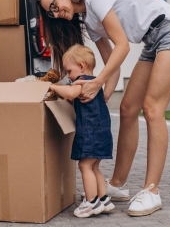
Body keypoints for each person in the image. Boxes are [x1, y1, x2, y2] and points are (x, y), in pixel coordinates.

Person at [36, 0, 170, 217]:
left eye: (55, 6)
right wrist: (102, 95)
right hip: (152, 42)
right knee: (128, 109)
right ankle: (118, 184)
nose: (56, 14)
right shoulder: (88, 21)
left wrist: (98, 82)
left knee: (152, 109)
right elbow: (113, 62)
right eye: (51, 12)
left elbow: (123, 46)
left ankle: (151, 191)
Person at [49, 44, 115, 218]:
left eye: (69, 71)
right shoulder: (95, 86)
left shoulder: (83, 81)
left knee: (84, 165)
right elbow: (74, 98)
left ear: (81, 66)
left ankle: (91, 202)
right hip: (102, 133)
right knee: (94, 167)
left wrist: (53, 87)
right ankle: (104, 199)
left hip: (90, 134)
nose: (68, 76)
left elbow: (71, 93)